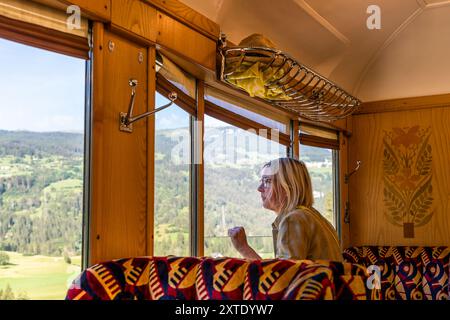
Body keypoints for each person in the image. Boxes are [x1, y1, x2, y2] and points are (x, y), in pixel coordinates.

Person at [228, 157, 343, 261]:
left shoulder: (293, 220)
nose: (260, 188)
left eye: (267, 181)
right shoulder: (315, 217)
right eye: (261, 182)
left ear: (288, 187)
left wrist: (243, 248)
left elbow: (283, 278)